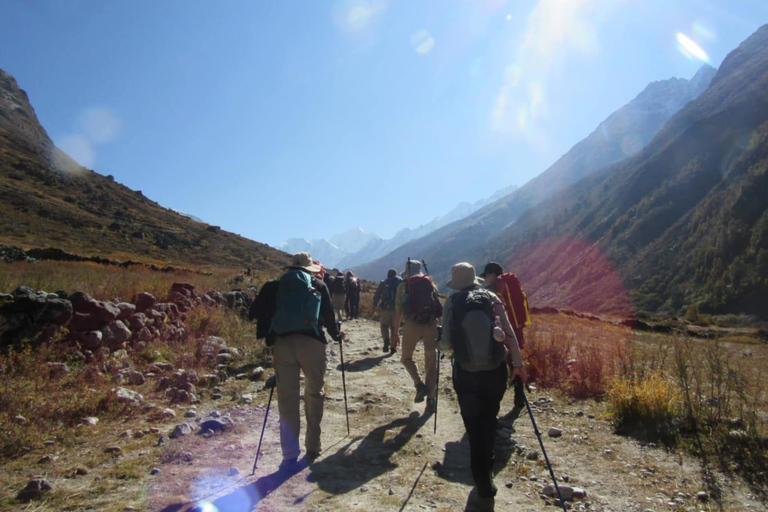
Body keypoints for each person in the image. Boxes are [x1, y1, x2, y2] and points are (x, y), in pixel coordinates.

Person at [439, 262, 526, 512]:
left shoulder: (452, 303)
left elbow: (445, 346)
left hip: (466, 375)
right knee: (489, 421)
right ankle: (487, 477)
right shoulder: (491, 297)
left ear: (456, 282)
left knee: (474, 430)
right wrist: (518, 365)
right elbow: (508, 332)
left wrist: (443, 343)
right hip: (495, 373)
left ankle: (484, 491)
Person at [250, 253, 343, 471]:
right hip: (312, 345)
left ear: (290, 267)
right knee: (314, 393)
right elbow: (329, 319)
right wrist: (337, 335)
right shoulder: (319, 285)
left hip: (283, 345)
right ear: (309, 269)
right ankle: (313, 446)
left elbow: (254, 312)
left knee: (287, 399)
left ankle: (289, 454)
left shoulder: (275, 286)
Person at [392, 259, 443, 413]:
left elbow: (399, 311)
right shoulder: (430, 283)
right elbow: (437, 306)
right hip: (431, 324)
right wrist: (440, 327)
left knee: (406, 358)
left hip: (412, 324)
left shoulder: (404, 285)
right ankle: (432, 399)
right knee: (430, 361)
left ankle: (419, 385)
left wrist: (395, 333)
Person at [480, 262, 531, 409]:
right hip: (515, 329)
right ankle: (519, 396)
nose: (485, 279)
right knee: (514, 362)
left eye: (486, 276)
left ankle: (493, 400)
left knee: (498, 363)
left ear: (492, 275)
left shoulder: (492, 291)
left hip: (500, 332)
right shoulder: (511, 288)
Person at [372, 269, 403, 353]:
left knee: (384, 326)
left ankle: (386, 340)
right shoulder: (400, 282)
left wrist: (374, 305)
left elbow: (377, 295)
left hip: (385, 308)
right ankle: (393, 346)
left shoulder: (383, 283)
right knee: (394, 328)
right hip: (397, 309)